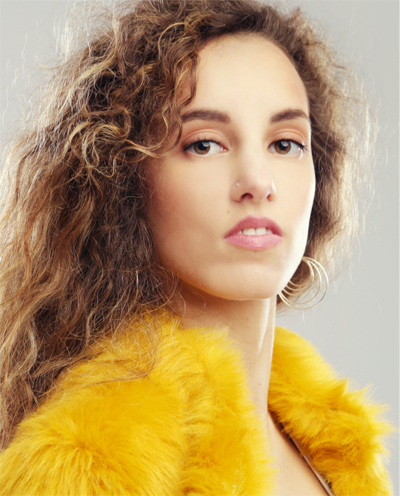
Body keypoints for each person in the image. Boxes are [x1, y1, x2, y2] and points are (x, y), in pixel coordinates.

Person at [0, 0, 394, 494]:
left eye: (285, 143)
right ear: (124, 181)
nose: (258, 182)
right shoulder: (90, 462)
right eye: (204, 144)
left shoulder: (331, 444)